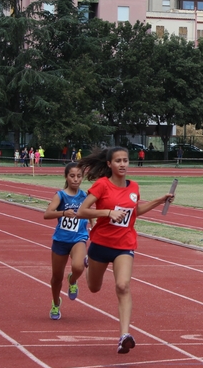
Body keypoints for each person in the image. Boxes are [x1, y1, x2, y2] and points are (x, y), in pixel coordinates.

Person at [76, 147, 175, 354]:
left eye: (126, 161)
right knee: (94, 287)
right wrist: (108, 212)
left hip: (124, 244)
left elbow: (135, 211)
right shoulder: (102, 185)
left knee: (123, 286)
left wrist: (160, 200)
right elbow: (81, 212)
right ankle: (88, 264)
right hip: (101, 244)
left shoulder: (134, 187)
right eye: (118, 161)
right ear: (109, 165)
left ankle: (124, 336)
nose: (123, 164)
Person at [43, 162, 92, 320]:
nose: (76, 179)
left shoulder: (85, 196)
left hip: (79, 238)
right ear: (66, 177)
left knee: (78, 267)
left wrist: (95, 227)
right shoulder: (60, 195)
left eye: (79, 176)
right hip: (61, 240)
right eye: (72, 176)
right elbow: (47, 214)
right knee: (56, 277)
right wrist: (63, 212)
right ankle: (56, 303)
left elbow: (91, 214)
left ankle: (72, 279)